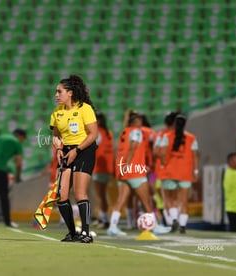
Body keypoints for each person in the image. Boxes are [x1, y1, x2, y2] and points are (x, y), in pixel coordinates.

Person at [50, 74, 98, 243]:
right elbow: (56, 136)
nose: (56, 95)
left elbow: (93, 134)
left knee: (79, 193)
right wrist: (58, 149)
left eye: (59, 91)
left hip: (84, 150)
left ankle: (86, 233)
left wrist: (77, 150)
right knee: (61, 195)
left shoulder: (85, 108)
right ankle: (72, 232)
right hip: (66, 152)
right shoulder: (57, 112)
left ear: (70, 93)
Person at [107, 111, 156, 236]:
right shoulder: (136, 132)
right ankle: (154, 226)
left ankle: (112, 226)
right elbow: (133, 148)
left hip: (123, 172)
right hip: (135, 171)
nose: (141, 123)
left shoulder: (124, 132)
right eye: (139, 121)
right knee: (146, 202)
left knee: (121, 200)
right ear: (135, 122)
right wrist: (127, 165)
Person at [160, 114, 199, 234]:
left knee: (170, 199)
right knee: (183, 201)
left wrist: (162, 165)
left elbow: (162, 154)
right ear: (185, 125)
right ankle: (182, 226)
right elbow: (195, 156)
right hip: (185, 173)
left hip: (170, 171)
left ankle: (174, 219)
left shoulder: (167, 136)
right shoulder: (192, 138)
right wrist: (196, 171)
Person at [0, 128, 26, 227]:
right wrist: (18, 177)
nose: (22, 141)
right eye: (23, 139)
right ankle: (7, 221)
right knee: (4, 195)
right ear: (20, 136)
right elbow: (19, 163)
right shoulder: (16, 143)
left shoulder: (1, 137)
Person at [153, 111, 179, 226]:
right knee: (174, 197)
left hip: (164, 170)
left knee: (167, 197)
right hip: (176, 170)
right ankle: (173, 221)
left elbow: (156, 151)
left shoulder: (162, 135)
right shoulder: (180, 135)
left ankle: (171, 221)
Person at [91, 112, 115, 229]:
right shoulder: (109, 133)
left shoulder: (97, 132)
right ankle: (102, 217)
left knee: (100, 195)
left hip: (98, 167)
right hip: (107, 168)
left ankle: (104, 219)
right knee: (103, 194)